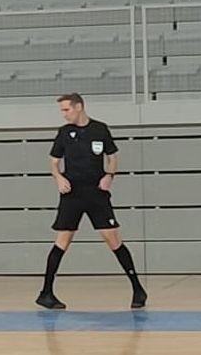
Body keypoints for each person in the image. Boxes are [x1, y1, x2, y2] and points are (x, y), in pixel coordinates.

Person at [40, 92, 147, 311]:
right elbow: (53, 161)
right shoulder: (64, 132)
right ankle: (46, 293)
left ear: (79, 107)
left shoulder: (100, 129)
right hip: (72, 194)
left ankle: (138, 289)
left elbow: (112, 157)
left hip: (96, 193)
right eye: (62, 110)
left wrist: (109, 175)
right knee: (62, 240)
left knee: (112, 238)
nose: (64, 114)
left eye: (66, 109)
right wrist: (59, 177)